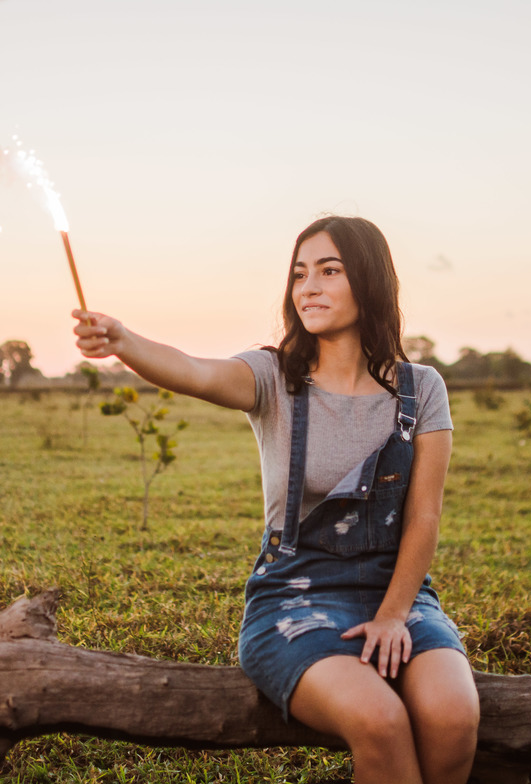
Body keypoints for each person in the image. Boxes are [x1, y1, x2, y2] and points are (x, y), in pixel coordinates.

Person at [73, 215, 479, 783]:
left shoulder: (422, 388)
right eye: (299, 274)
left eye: (329, 271)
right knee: (381, 721)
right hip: (293, 596)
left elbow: (424, 517)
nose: (308, 287)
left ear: (369, 280)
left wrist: (393, 616)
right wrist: (124, 341)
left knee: (453, 717)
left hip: (400, 596)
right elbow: (193, 371)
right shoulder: (272, 376)